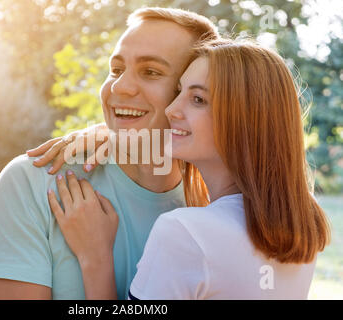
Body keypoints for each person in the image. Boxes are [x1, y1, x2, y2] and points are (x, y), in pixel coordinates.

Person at [47, 38, 331, 299]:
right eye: (179, 91)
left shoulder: (186, 232)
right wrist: (115, 133)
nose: (171, 109)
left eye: (198, 100)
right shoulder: (299, 220)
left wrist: (95, 258)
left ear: (244, 122)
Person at [0, 7, 219, 299]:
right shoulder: (34, 182)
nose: (119, 86)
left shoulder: (211, 209)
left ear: (195, 95)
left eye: (151, 72)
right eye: (116, 70)